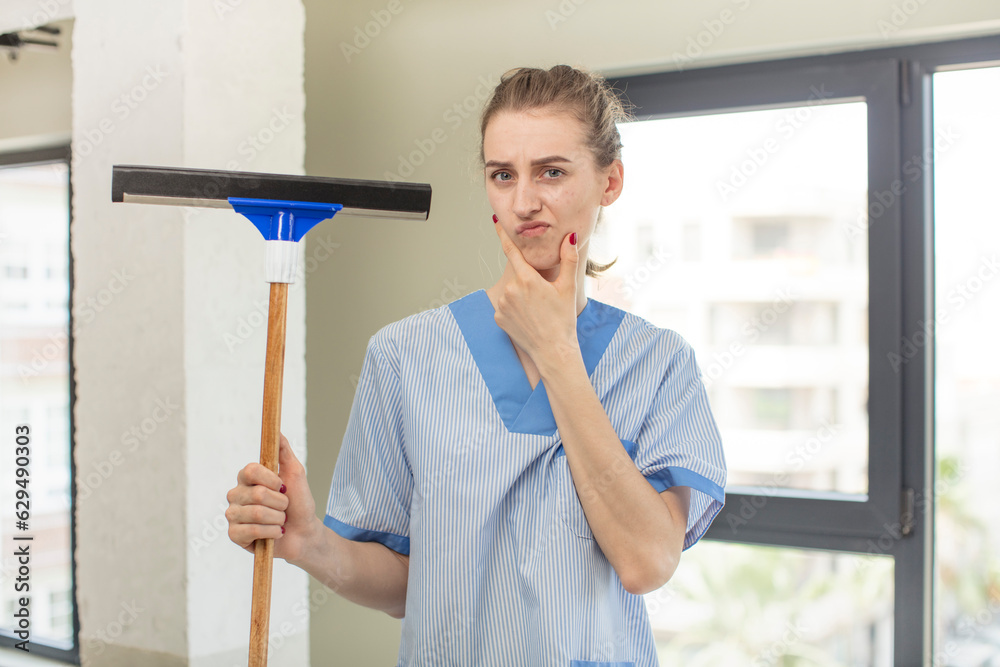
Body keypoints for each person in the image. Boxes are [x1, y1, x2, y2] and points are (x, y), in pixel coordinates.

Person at [226, 64, 727, 666]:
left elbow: (647, 563)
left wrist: (558, 355)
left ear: (610, 181)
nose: (524, 203)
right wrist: (309, 542)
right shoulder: (405, 355)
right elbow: (405, 584)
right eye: (502, 175)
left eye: (552, 172)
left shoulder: (659, 365)